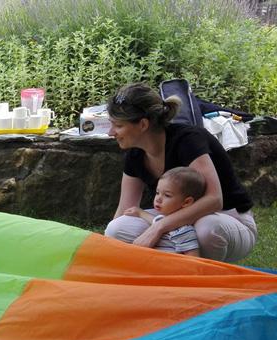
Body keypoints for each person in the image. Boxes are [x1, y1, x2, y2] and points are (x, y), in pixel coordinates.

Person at [104, 83, 257, 262]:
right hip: (177, 225)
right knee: (117, 228)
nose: (110, 133)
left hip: (227, 219)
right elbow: (125, 209)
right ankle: (177, 265)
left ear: (143, 124)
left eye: (118, 125)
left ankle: (197, 272)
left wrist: (158, 228)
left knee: (206, 229)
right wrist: (107, 249)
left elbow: (214, 200)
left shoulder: (188, 140)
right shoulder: (135, 154)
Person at [123, 166, 203, 256]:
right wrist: (139, 212)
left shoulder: (184, 230)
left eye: (167, 195)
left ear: (186, 202)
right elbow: (156, 220)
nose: (158, 199)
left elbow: (193, 259)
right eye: (157, 193)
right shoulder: (162, 221)